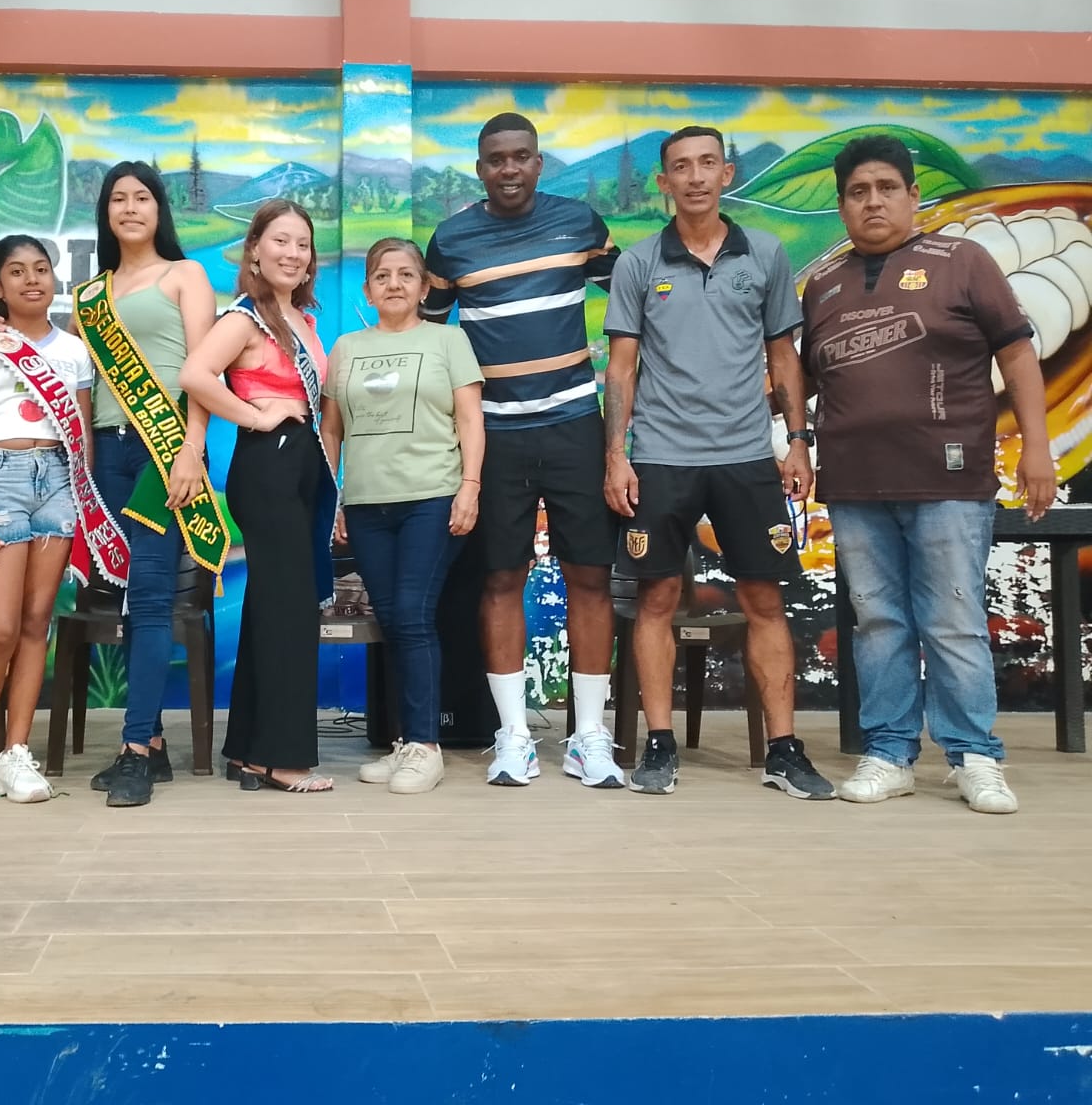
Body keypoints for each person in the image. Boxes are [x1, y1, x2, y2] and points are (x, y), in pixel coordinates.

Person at [802, 134, 1053, 814]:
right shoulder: (823, 283)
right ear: (842, 205)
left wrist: (1037, 448)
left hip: (949, 480)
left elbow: (1018, 355)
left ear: (914, 196)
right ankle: (889, 754)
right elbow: (805, 379)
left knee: (952, 620)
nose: (873, 202)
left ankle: (974, 756)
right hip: (854, 484)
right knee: (878, 622)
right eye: (858, 192)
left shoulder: (963, 261)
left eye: (887, 188)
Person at [603, 125, 835, 799]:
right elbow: (621, 369)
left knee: (764, 599)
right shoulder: (638, 263)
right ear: (664, 182)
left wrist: (798, 440)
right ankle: (659, 746)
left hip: (745, 455)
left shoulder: (764, 253)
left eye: (708, 163)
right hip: (661, 457)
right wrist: (616, 455)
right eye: (682, 166)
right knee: (656, 599)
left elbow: (783, 355)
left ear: (727, 174)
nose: (696, 176)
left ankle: (784, 751)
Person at [423, 112, 621, 788]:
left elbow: (632, 303)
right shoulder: (451, 241)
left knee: (588, 577)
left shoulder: (581, 223)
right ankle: (513, 737)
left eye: (520, 156)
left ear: (539, 163)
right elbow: (431, 339)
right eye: (495, 159)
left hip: (575, 426)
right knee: (502, 579)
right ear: (480, 169)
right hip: (496, 437)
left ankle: (588, 736)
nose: (508, 168)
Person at [71, 162, 224, 807]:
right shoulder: (91, 295)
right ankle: (152, 742)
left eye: (142, 197)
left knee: (154, 595)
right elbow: (67, 367)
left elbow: (204, 370)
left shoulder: (185, 275)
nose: (130, 207)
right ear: (106, 213)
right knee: (130, 598)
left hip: (163, 450)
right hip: (107, 453)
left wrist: (191, 449)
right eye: (118, 199)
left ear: (159, 209)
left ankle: (134, 751)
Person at [180, 199, 336, 793]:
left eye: (302, 244)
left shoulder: (303, 319)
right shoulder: (245, 317)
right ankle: (280, 759)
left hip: (300, 466)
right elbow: (195, 375)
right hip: (268, 463)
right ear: (254, 251)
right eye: (280, 241)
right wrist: (256, 416)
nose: (293, 253)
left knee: (275, 606)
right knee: (289, 610)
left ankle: (249, 750)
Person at [0, 235, 106, 804]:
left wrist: (82, 499)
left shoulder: (75, 351)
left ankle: (15, 754)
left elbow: (81, 433)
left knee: (38, 622)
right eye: (16, 271)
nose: (32, 279)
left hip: (58, 483)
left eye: (41, 269)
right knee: (0, 627)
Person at [320, 238, 485, 794]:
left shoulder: (448, 340)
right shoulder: (346, 347)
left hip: (432, 497)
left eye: (406, 274)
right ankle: (405, 743)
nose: (394, 283)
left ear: (424, 287)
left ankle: (424, 746)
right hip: (367, 504)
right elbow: (331, 430)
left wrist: (469, 487)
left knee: (413, 615)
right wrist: (335, 498)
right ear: (367, 290)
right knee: (391, 620)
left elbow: (470, 419)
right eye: (382, 275)